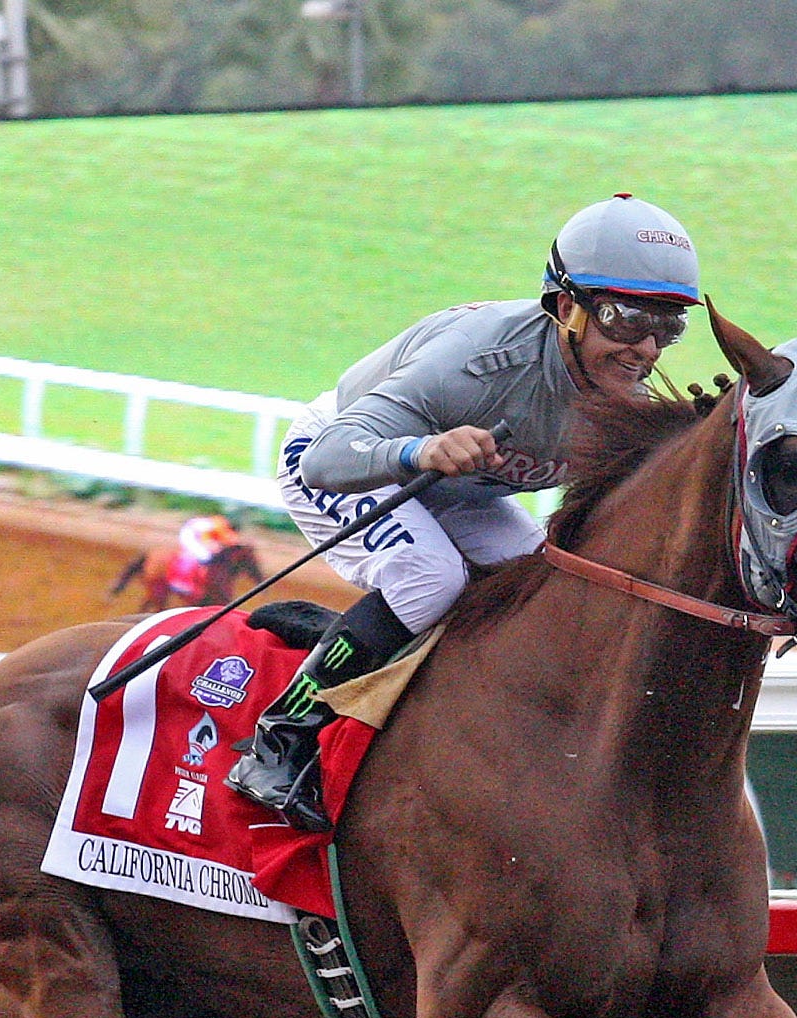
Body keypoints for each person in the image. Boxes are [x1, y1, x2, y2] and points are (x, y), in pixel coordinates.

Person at [226, 194, 702, 832]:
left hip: (458, 490)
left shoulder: (623, 398)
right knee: (431, 577)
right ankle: (279, 740)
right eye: (622, 319)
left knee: (543, 584)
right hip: (346, 455)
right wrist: (421, 448)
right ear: (566, 308)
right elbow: (328, 459)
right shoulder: (476, 362)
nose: (645, 347)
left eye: (668, 326)